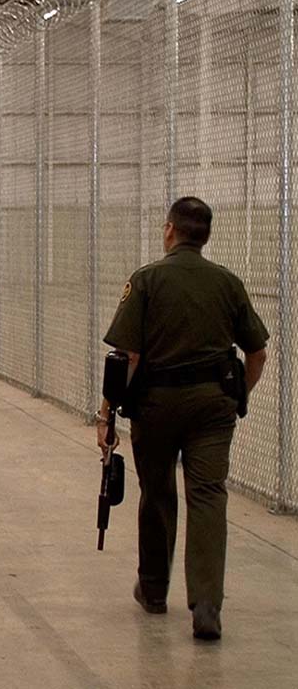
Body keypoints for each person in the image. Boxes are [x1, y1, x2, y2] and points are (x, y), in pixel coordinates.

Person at [100, 196, 269, 641]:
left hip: (156, 406)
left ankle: (154, 590)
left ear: (170, 230)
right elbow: (257, 353)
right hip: (213, 407)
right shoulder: (228, 284)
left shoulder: (148, 280)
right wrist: (235, 397)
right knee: (209, 496)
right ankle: (208, 605)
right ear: (205, 235)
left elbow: (128, 356)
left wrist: (106, 414)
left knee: (157, 491)